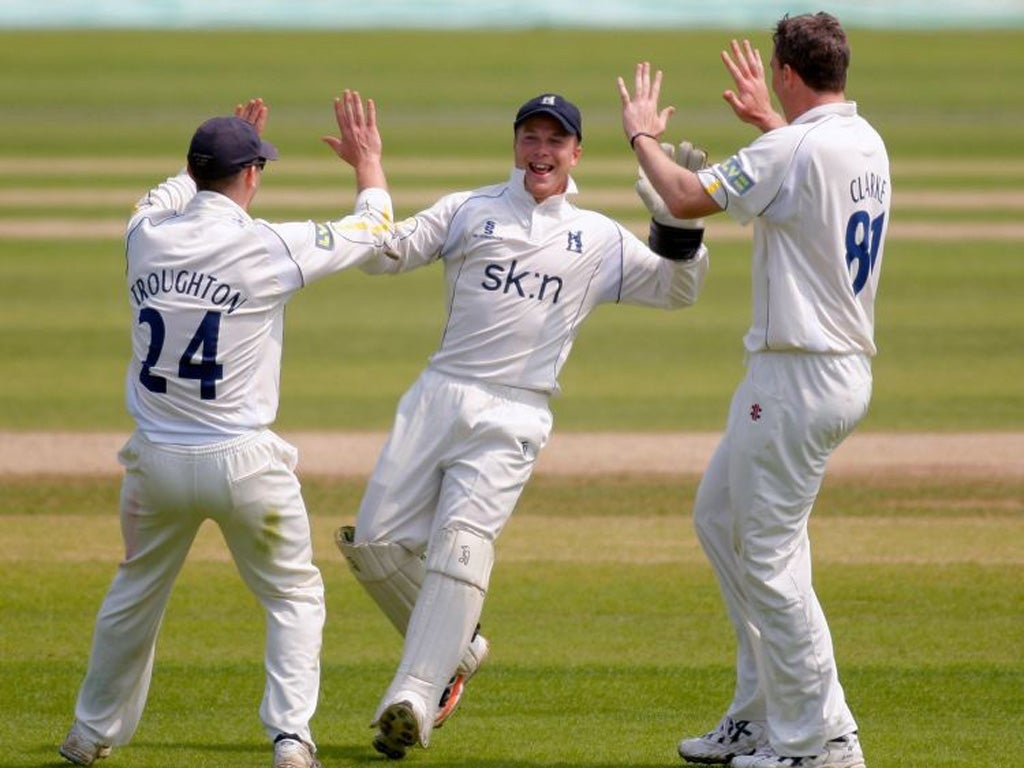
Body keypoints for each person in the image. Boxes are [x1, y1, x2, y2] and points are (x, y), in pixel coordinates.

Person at [333, 92, 710, 759]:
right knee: (374, 546)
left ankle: (414, 696)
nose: (541, 153)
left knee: (461, 545)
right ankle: (460, 648)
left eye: (555, 141)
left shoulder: (595, 236)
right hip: (439, 394)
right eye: (530, 138)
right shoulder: (468, 210)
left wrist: (677, 228)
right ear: (516, 145)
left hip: (517, 409)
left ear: (575, 153)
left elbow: (678, 291)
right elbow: (380, 253)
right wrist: (369, 169)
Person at [58, 91, 394, 768]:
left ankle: (89, 734)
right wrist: (369, 166)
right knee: (294, 594)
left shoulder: (143, 234)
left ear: (194, 172)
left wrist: (205, 158)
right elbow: (375, 229)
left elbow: (158, 195)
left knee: (133, 598)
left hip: (153, 463)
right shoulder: (266, 245)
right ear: (250, 176)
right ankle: (292, 739)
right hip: (244, 463)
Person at [618, 12, 890, 768]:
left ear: (788, 73)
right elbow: (798, 164)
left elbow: (680, 197)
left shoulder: (793, 148)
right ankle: (760, 712)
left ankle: (816, 743)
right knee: (720, 518)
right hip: (812, 371)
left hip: (800, 373)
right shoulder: (861, 139)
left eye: (776, 73)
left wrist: (640, 133)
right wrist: (771, 122)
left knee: (770, 560)